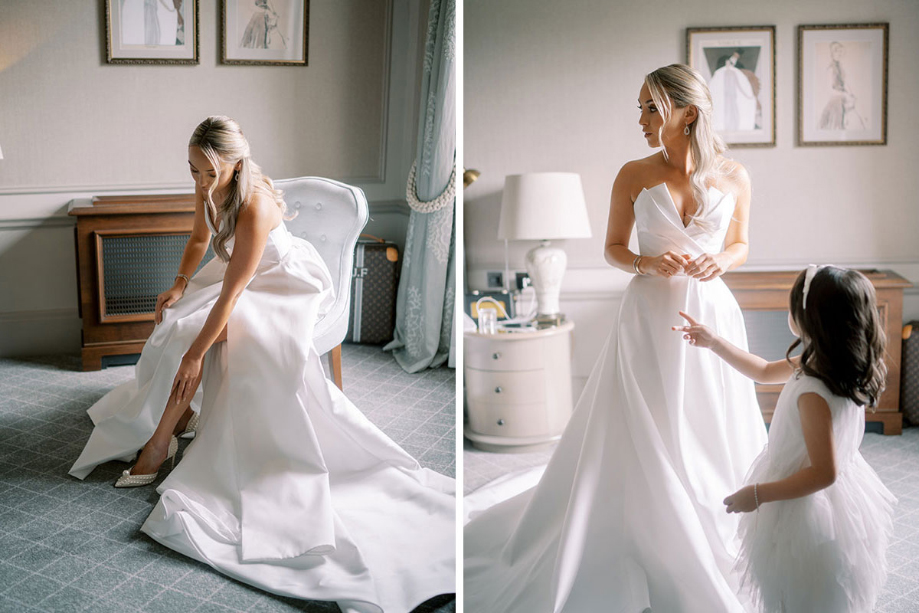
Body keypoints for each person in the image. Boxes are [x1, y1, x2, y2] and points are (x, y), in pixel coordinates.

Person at [69, 116, 454, 613]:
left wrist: (196, 355)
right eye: (192, 170)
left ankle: (160, 442)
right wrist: (180, 284)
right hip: (235, 276)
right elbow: (198, 241)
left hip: (279, 284)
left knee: (195, 342)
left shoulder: (255, 204)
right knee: (174, 326)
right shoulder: (206, 186)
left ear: (234, 163)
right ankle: (181, 416)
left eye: (208, 172)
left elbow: (234, 294)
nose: (199, 181)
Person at [464, 64, 767, 612]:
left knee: (707, 415)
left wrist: (720, 260)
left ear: (687, 113)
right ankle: (645, 528)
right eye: (640, 108)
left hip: (711, 311)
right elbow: (613, 248)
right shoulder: (633, 174)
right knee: (646, 419)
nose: (642, 119)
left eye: (653, 108)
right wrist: (647, 264)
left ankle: (712, 520)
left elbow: (742, 243)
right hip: (648, 315)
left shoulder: (734, 176)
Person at [676, 265, 895, 613]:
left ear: (809, 320)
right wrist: (714, 342)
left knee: (803, 589)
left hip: (804, 503)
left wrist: (757, 494)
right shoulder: (829, 363)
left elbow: (823, 473)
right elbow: (763, 371)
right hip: (833, 495)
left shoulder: (813, 389)